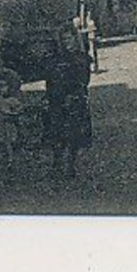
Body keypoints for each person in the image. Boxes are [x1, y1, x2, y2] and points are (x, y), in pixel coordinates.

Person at [44, 28, 93, 177]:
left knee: (75, 134)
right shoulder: (55, 59)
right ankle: (57, 165)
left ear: (75, 40)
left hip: (75, 100)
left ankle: (72, 165)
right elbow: (50, 80)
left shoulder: (82, 58)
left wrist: (74, 94)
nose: (67, 43)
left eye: (69, 39)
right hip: (57, 100)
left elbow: (84, 80)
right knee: (56, 133)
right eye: (64, 40)